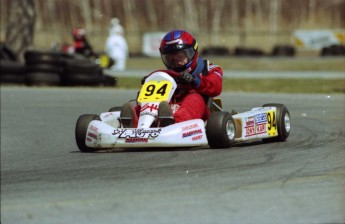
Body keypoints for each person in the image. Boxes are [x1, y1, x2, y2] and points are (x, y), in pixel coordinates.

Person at [121, 29, 223, 127]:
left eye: (180, 56)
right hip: (168, 110)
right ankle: (134, 122)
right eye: (171, 58)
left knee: (194, 97)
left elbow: (215, 87)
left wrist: (194, 80)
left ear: (192, 52)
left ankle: (173, 124)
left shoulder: (209, 68)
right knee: (152, 100)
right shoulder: (167, 74)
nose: (177, 62)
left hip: (200, 113)